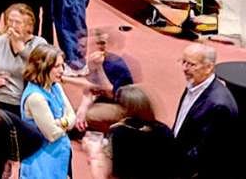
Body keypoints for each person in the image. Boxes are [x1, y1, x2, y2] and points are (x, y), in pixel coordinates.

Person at [170, 43, 237, 179]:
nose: (184, 69)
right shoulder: (194, 84)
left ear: (209, 67)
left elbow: (207, 152)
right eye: (183, 62)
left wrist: (172, 166)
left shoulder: (219, 106)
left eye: (191, 65)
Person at [17, 45, 74, 179]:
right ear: (43, 67)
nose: (61, 70)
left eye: (62, 65)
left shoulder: (56, 87)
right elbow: (52, 135)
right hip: (40, 163)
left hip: (59, 156)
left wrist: (60, 122)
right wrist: (66, 123)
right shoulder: (36, 98)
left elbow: (73, 117)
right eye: (57, 66)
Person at [0, 3, 45, 118]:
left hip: (27, 103)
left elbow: (41, 69)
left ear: (28, 26)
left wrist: (21, 48)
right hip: (0, 99)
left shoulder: (39, 44)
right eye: (10, 21)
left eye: (18, 22)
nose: (13, 26)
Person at [99, 85, 173, 179]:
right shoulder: (164, 130)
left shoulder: (118, 133)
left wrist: (94, 153)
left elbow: (109, 173)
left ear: (125, 109)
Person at [70, 27, 135, 131]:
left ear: (98, 46)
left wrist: (99, 68)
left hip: (123, 107)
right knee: (73, 115)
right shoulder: (93, 61)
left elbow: (110, 93)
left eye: (83, 46)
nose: (79, 49)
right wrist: (83, 108)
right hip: (105, 101)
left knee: (87, 117)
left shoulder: (115, 64)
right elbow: (91, 89)